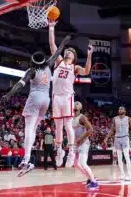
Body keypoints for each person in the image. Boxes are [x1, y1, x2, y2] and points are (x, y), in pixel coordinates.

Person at [3, 35, 71, 176]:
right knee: (33, 129)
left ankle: (26, 159)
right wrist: (64, 41)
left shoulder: (32, 71)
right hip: (46, 100)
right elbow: (58, 52)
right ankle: (27, 160)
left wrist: (9, 95)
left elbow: (20, 84)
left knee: (29, 128)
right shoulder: (49, 64)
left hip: (35, 97)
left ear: (33, 61)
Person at [49, 21, 94, 168]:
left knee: (68, 125)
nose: (68, 52)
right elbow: (52, 46)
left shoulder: (75, 67)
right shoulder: (59, 61)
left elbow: (86, 71)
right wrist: (51, 27)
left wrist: (89, 55)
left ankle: (71, 152)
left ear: (74, 57)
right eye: (66, 51)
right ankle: (60, 151)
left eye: (71, 52)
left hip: (67, 97)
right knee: (58, 126)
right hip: (56, 96)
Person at [103, 106, 131, 181]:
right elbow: (112, 129)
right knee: (119, 158)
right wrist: (106, 138)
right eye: (119, 109)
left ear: (125, 111)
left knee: (126, 156)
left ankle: (129, 175)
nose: (120, 110)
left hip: (125, 138)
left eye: (121, 109)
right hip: (117, 139)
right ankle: (122, 175)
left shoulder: (128, 118)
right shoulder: (115, 119)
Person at [73, 101, 98, 190]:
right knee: (75, 164)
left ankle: (94, 183)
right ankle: (90, 177)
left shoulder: (82, 117)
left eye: (76, 109)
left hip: (84, 143)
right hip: (76, 143)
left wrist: (80, 138)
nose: (74, 110)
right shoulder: (71, 117)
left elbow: (91, 129)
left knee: (83, 163)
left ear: (79, 108)